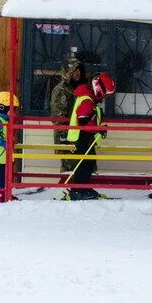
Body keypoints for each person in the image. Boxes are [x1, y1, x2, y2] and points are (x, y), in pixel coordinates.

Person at [66, 72, 116, 200]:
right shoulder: (87, 100)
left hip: (85, 136)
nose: (104, 97)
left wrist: (98, 129)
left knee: (88, 163)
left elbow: (88, 119)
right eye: (105, 94)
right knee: (85, 164)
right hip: (83, 137)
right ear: (99, 88)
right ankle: (78, 190)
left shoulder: (89, 98)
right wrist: (98, 129)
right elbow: (83, 120)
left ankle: (83, 188)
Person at [49, 56, 87, 172]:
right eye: (74, 70)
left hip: (80, 137)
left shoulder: (79, 89)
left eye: (79, 70)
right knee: (70, 171)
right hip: (68, 139)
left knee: (84, 169)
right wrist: (65, 140)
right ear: (67, 72)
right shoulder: (61, 90)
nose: (77, 73)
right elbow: (58, 117)